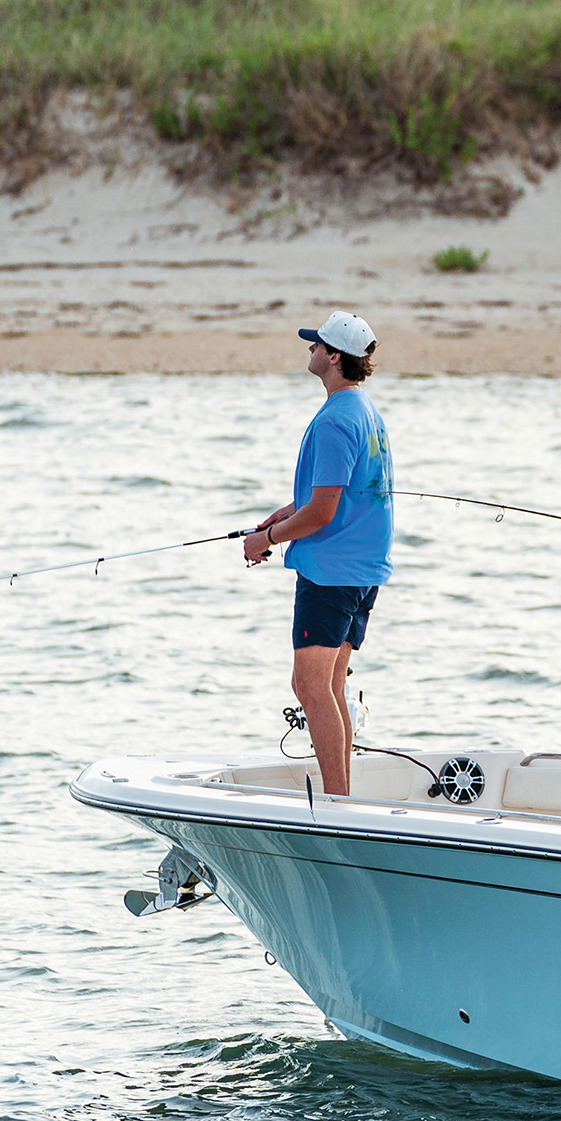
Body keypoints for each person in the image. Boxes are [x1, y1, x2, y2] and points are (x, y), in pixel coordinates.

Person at [240, 311, 391, 797]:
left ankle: (336, 802)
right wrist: (280, 516)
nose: (309, 351)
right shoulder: (364, 411)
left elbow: (323, 513)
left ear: (333, 357)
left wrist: (269, 539)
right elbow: (329, 494)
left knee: (310, 689)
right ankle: (341, 797)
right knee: (330, 687)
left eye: (315, 346)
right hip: (363, 569)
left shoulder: (334, 421)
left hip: (332, 573)